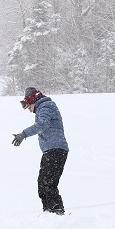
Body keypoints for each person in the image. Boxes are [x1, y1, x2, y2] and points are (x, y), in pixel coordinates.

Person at [12, 87, 69, 215]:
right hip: (53, 150)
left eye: (28, 107)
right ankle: (50, 212)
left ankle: (55, 212)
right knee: (45, 183)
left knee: (47, 183)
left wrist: (23, 134)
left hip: (55, 150)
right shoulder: (44, 107)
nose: (29, 111)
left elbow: (42, 124)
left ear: (33, 101)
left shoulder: (45, 106)